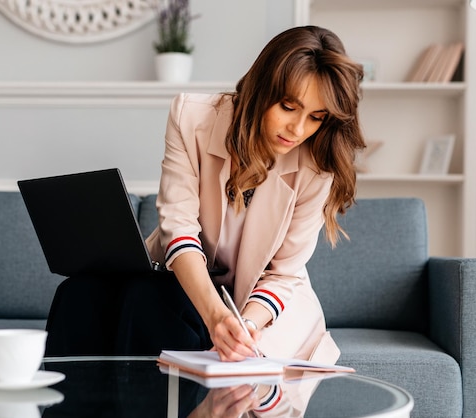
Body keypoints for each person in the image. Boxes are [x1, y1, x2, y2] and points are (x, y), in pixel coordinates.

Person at [44, 25, 365, 371]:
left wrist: (245, 327)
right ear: (261, 89)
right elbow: (178, 227)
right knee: (78, 295)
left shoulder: (319, 165)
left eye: (316, 117)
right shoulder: (191, 117)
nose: (298, 130)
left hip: (265, 309)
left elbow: (283, 274)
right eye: (288, 107)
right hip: (184, 281)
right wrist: (213, 314)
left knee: (155, 308)